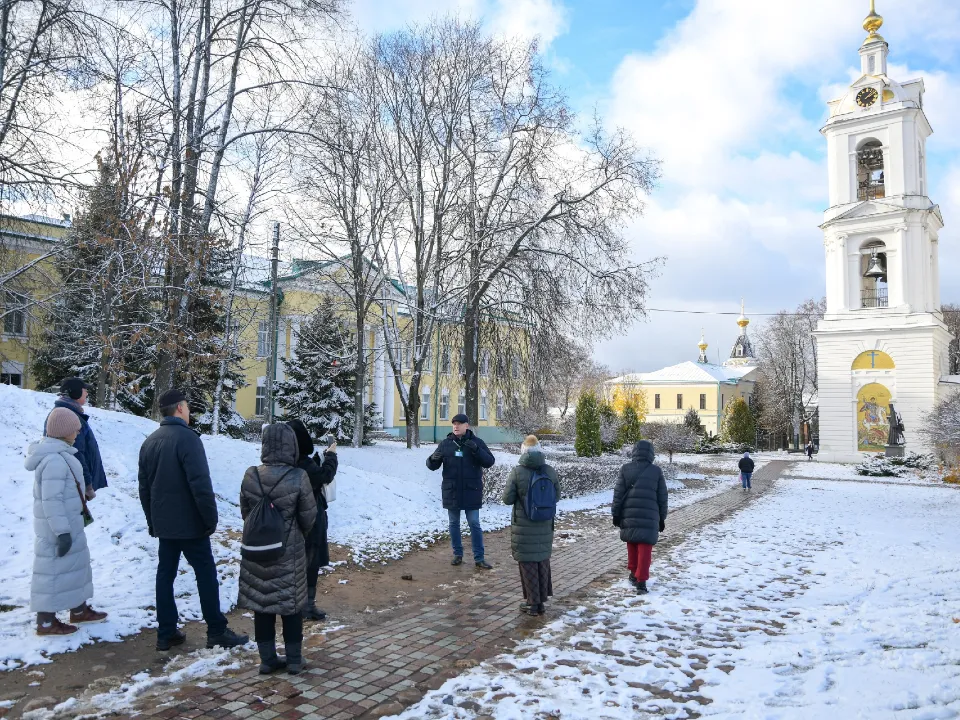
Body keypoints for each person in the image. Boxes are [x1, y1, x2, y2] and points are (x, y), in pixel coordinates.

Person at [138, 388, 247, 652]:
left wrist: (153, 520)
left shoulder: (150, 441)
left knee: (165, 575)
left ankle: (166, 632)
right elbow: (200, 484)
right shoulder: (188, 439)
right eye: (186, 406)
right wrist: (210, 518)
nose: (188, 411)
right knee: (206, 574)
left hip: (165, 524)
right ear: (179, 408)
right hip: (191, 524)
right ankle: (217, 630)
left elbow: (144, 487)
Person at [238, 423, 317, 675]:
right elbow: (309, 517)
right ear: (291, 445)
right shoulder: (298, 477)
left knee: (263, 604)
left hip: (257, 551)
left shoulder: (251, 474)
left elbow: (246, 513)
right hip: (288, 552)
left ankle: (267, 659)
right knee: (291, 606)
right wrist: (294, 534)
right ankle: (294, 660)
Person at [27, 407, 108, 635]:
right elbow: (51, 501)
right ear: (64, 431)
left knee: (75, 568)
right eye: (75, 428)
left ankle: (79, 609)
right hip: (58, 530)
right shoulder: (54, 461)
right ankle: (45, 621)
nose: (78, 431)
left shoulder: (62, 455)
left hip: (71, 525)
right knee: (51, 572)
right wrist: (62, 532)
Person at [426, 413, 496, 569]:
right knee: (453, 523)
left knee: (474, 523)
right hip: (452, 491)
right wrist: (432, 459)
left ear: (467, 426)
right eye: (454, 424)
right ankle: (458, 554)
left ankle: (479, 558)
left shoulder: (477, 442)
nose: (456, 426)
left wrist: (477, 450)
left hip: (471, 490)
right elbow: (432, 466)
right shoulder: (446, 444)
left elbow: (489, 462)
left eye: (459, 423)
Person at [502, 435, 560, 617]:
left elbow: (507, 499)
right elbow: (556, 496)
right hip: (545, 524)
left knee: (527, 564)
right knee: (542, 561)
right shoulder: (550, 471)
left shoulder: (518, 472)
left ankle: (533, 604)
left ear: (523, 451)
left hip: (524, 526)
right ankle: (541, 602)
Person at [286, 419, 338, 621]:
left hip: (289, 520)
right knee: (310, 562)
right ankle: (307, 605)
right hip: (311, 518)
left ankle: (293, 603)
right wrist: (331, 455)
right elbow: (325, 476)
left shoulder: (285, 462)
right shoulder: (304, 465)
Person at [612, 440, 668, 595]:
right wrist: (662, 518)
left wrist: (615, 514)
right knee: (645, 547)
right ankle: (641, 581)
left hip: (629, 513)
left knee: (632, 543)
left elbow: (618, 494)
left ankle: (633, 573)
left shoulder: (625, 469)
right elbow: (663, 497)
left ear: (634, 452)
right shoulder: (656, 471)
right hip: (650, 515)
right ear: (651, 453)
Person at [49, 378, 107, 500]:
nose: (86, 393)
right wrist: (87, 485)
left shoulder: (66, 413)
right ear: (75, 392)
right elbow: (76, 453)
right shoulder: (67, 417)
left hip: (73, 483)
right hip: (74, 483)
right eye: (84, 390)